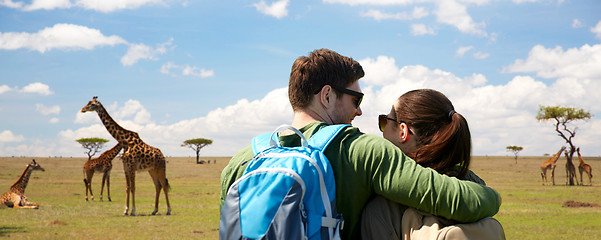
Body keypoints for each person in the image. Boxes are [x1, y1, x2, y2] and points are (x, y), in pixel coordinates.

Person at [219, 48, 501, 239]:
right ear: (327, 96)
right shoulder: (363, 151)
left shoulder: (240, 162)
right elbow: (456, 201)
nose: (359, 112)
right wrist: (494, 197)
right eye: (356, 100)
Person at [361, 88, 505, 239]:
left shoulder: (382, 207)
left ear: (403, 132)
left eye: (385, 122)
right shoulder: (473, 186)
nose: (382, 131)